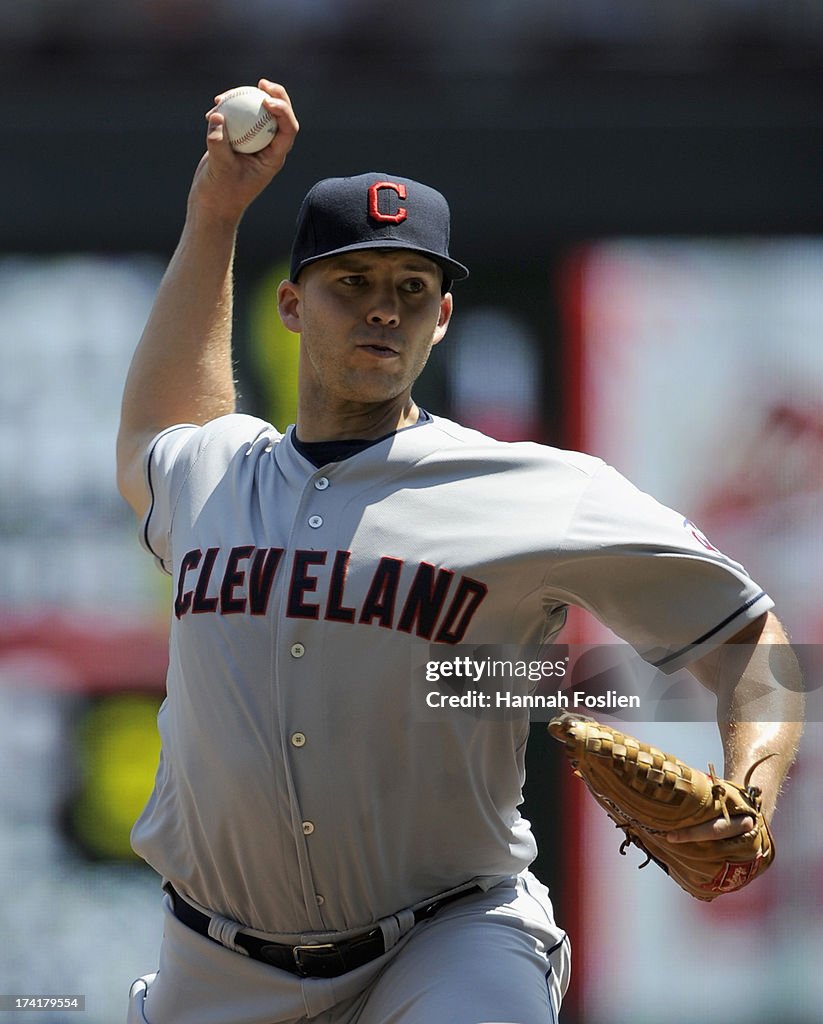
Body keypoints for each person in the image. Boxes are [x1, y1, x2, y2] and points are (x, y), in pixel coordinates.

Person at [117, 80, 804, 1024]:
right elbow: (159, 424)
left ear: (441, 318)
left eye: (411, 290)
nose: (382, 311)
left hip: (449, 937)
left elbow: (752, 642)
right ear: (289, 304)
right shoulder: (210, 472)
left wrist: (753, 799)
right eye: (350, 283)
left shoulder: (532, 491)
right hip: (213, 961)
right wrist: (215, 210)